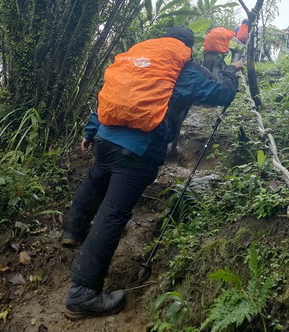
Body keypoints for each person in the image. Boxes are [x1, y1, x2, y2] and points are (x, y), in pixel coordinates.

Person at [62, 26, 243, 319]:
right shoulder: (183, 67)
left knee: (96, 178)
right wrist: (232, 71)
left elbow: (112, 94)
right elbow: (221, 93)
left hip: (106, 138)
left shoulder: (138, 59)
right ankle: (81, 294)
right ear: (187, 47)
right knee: (113, 214)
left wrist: (91, 130)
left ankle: (72, 231)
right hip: (137, 151)